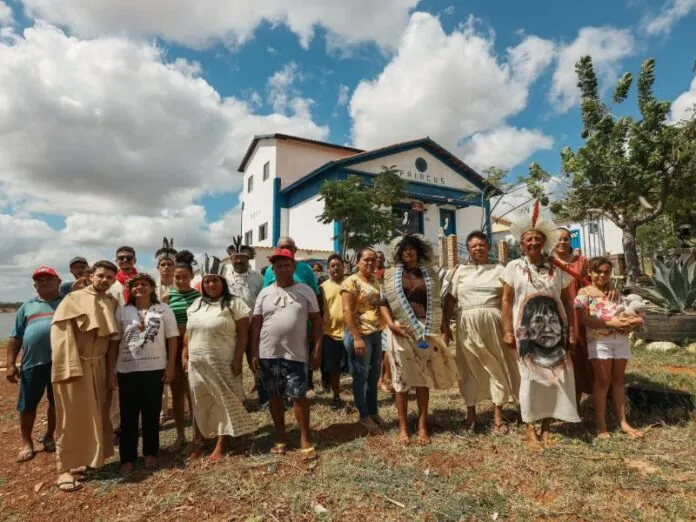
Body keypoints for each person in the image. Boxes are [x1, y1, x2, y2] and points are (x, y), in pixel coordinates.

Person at [501, 202, 580, 451]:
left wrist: (573, 331)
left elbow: (568, 301)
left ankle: (547, 426)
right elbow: (506, 300)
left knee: (555, 377)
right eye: (528, 240)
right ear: (521, 244)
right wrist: (506, 330)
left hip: (555, 330)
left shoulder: (557, 269)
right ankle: (529, 428)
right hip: (525, 331)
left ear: (544, 242)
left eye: (537, 239)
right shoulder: (513, 267)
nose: (533, 243)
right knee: (530, 378)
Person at [380, 235, 459, 445]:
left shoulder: (430, 274)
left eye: (412, 249)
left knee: (424, 379)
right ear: (399, 253)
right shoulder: (390, 276)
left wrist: (443, 329)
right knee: (401, 379)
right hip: (400, 329)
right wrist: (391, 325)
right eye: (404, 249)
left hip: (426, 328)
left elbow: (437, 303)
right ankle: (403, 428)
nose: (408, 252)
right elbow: (383, 303)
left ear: (419, 251)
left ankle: (423, 426)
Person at [50, 260, 120, 492]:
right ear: (91, 276)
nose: (104, 280)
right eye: (101, 276)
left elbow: (112, 342)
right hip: (76, 365)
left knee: (97, 415)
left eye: (110, 277)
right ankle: (65, 469)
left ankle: (91, 459)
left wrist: (111, 372)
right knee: (71, 417)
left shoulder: (112, 302)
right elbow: (62, 336)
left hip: (99, 365)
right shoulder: (72, 299)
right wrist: (69, 368)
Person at [442, 231, 520, 434]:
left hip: (494, 324)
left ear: (488, 248)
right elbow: (449, 301)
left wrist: (509, 329)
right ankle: (471, 416)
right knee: (468, 369)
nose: (478, 248)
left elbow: (509, 301)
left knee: (496, 367)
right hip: (466, 324)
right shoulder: (459, 271)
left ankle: (497, 418)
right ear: (468, 249)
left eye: (482, 245)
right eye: (474, 245)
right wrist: (444, 328)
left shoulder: (500, 270)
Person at [250, 248, 322, 462]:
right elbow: (256, 325)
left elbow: (317, 322)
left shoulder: (306, 290)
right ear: (273, 269)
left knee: (298, 396)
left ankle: (304, 437)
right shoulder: (264, 293)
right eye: (278, 266)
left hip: (296, 354)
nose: (282, 268)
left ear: (294, 267)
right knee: (274, 395)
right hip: (268, 353)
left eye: (286, 264)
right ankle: (280, 436)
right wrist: (254, 352)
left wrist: (317, 349)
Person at [184, 255, 256, 462]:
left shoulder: (235, 303)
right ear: (202, 284)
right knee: (200, 399)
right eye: (207, 281)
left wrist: (237, 359)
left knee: (223, 400)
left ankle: (221, 443)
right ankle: (200, 440)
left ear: (222, 282)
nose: (211, 284)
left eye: (215, 280)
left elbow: (243, 334)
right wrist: (184, 354)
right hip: (197, 362)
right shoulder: (196, 304)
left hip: (222, 361)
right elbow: (188, 333)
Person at [111, 273, 178, 474]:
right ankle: (127, 458)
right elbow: (115, 341)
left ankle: (151, 453)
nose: (140, 287)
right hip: (127, 370)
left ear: (152, 288)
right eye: (136, 285)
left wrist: (170, 366)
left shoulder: (163, 309)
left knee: (151, 413)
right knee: (128, 416)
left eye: (144, 284)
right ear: (130, 290)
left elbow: (172, 338)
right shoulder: (122, 311)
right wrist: (111, 369)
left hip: (155, 369)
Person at [575, 257, 643, 439]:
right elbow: (584, 320)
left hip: (620, 340)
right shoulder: (584, 293)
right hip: (599, 342)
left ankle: (623, 422)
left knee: (618, 381)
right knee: (603, 381)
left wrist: (634, 321)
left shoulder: (614, 292)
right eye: (598, 271)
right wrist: (612, 323)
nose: (602, 275)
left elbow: (627, 310)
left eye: (606, 272)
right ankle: (602, 426)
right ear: (590, 272)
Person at [6, 266, 64, 462]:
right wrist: (10, 364)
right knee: (27, 405)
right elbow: (15, 336)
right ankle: (26, 442)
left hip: (61, 362)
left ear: (58, 282)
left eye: (49, 278)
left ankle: (49, 436)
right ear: (35, 285)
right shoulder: (27, 306)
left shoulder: (67, 303)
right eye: (40, 280)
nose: (44, 282)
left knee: (57, 403)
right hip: (32, 363)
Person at [262, 236, 322, 394]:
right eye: (282, 247)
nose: (285, 250)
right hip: (272, 336)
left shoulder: (306, 269)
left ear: (295, 251)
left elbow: (315, 296)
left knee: (299, 360)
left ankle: (303, 387)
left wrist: (314, 335)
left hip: (301, 325)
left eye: (289, 247)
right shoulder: (269, 270)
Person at [341, 248, 384, 432]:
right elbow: (347, 312)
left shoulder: (375, 281)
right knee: (361, 376)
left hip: (376, 333)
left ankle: (373, 411)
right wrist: (357, 337)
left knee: (373, 376)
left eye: (373, 260)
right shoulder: (351, 282)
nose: (370, 263)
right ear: (358, 261)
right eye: (366, 259)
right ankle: (364, 415)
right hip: (359, 336)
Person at [553, 228, 593, 408]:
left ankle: (575, 404)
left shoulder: (581, 262)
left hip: (576, 316)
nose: (562, 242)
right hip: (553, 315)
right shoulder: (547, 263)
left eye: (565, 239)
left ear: (570, 241)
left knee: (577, 357)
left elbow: (592, 287)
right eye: (558, 239)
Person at [166, 250, 200, 449]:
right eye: (177, 277)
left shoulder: (199, 297)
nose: (180, 281)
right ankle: (180, 435)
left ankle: (197, 433)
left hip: (195, 347)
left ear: (192, 277)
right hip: (173, 348)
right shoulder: (166, 298)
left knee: (194, 392)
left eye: (184, 277)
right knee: (177, 393)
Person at [319, 254, 347, 410]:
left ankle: (360, 398)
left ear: (343, 267)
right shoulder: (322, 287)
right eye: (332, 265)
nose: (335, 267)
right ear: (328, 269)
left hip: (350, 333)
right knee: (333, 368)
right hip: (330, 333)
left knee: (356, 368)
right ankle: (336, 396)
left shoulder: (351, 283)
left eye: (338, 265)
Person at [155, 237, 177, 301]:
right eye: (163, 265)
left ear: (174, 267)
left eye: (169, 264)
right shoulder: (151, 287)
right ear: (158, 267)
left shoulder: (180, 286)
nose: (166, 267)